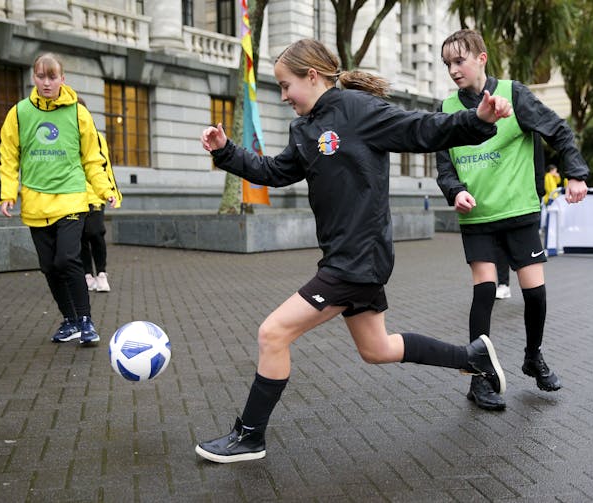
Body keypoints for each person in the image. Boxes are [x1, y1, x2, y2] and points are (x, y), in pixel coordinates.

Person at [194, 38, 513, 464]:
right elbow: (274, 171)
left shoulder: (358, 111)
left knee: (273, 333)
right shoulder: (303, 130)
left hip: (358, 259)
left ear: (312, 76)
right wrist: (226, 152)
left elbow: (422, 129)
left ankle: (249, 436)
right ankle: (472, 357)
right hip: (345, 258)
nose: (284, 95)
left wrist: (476, 119)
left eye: (287, 85)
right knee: (376, 349)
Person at [436, 29, 589, 411]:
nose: (453, 70)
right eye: (447, 64)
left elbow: (559, 130)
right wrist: (455, 190)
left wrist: (575, 173)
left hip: (520, 213)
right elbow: (443, 164)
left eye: (460, 61)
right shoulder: (446, 107)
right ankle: (479, 378)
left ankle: (533, 357)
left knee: (534, 292)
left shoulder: (514, 94)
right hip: (479, 218)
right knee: (485, 290)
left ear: (481, 58)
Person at [0, 53, 119, 346]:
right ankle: (71, 321)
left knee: (67, 258)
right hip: (36, 203)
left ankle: (87, 321)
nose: (47, 83)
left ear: (62, 79)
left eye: (53, 77)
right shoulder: (19, 113)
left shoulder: (79, 113)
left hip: (71, 199)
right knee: (49, 266)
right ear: (33, 78)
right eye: (41, 76)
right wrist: (7, 193)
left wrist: (106, 190)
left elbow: (93, 158)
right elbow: (9, 155)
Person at [76, 97, 122, 293]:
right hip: (73, 197)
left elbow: (105, 167)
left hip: (95, 194)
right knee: (80, 238)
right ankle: (87, 275)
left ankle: (101, 273)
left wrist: (111, 192)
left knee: (95, 233)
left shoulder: (95, 136)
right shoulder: (64, 138)